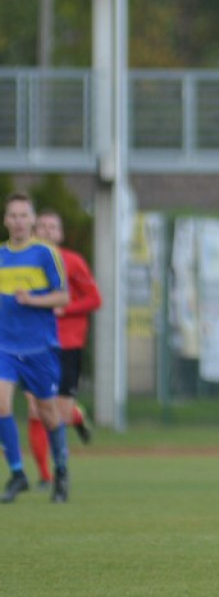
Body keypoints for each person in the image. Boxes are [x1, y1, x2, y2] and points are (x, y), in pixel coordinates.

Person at [23, 209, 102, 490]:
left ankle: (76, 417)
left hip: (67, 344)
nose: (46, 230)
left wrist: (63, 309)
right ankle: (48, 475)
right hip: (33, 345)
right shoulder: (24, 264)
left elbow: (94, 299)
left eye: (52, 227)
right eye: (41, 226)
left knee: (59, 415)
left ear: (60, 234)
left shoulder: (73, 262)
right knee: (36, 410)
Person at [0, 193, 71, 503]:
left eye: (23, 215)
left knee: (48, 414)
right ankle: (17, 474)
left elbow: (63, 297)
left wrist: (33, 300)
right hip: (4, 347)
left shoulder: (45, 254)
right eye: (12, 215)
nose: (17, 221)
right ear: (5, 221)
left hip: (39, 348)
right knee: (1, 405)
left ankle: (62, 472)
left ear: (32, 220)